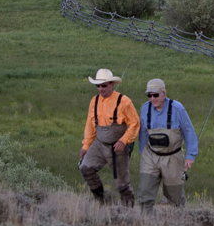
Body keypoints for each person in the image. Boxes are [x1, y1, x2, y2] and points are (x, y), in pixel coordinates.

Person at [79, 68, 140, 207]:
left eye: (104, 85)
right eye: (98, 86)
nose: (101, 89)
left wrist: (123, 141)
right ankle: (101, 201)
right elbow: (90, 125)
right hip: (99, 144)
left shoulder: (124, 102)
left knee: (122, 185)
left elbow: (135, 124)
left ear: (112, 84)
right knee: (85, 168)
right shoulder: (94, 101)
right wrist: (86, 146)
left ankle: (129, 212)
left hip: (118, 148)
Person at [138, 78, 198, 214]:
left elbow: (189, 131)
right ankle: (145, 223)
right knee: (145, 191)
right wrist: (143, 152)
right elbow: (142, 131)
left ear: (163, 93)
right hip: (151, 155)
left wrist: (190, 155)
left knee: (175, 195)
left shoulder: (177, 108)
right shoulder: (145, 108)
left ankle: (179, 223)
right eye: (149, 95)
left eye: (155, 95)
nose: (152, 99)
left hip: (173, 157)